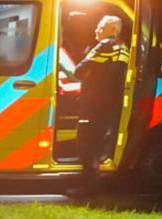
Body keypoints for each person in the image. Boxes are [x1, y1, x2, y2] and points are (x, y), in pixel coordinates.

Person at [71, 15, 128, 195]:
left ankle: (89, 187)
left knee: (85, 143)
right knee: (96, 143)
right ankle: (94, 184)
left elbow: (79, 71)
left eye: (101, 27)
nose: (96, 30)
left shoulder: (105, 46)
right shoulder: (123, 48)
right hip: (109, 103)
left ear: (112, 29)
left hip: (93, 103)